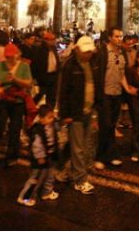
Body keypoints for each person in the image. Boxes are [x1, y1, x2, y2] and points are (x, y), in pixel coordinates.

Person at [57, 35, 101, 195]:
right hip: (75, 113)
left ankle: (63, 170)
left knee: (77, 145)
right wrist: (65, 114)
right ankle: (80, 180)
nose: (88, 54)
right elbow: (63, 92)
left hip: (88, 110)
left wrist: (97, 107)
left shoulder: (92, 63)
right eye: (85, 51)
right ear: (77, 50)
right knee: (78, 148)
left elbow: (95, 85)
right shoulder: (70, 65)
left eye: (90, 51)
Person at [0, 43, 33, 167]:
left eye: (12, 56)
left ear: (17, 54)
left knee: (15, 129)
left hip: (18, 102)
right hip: (3, 100)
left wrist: (15, 80)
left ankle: (11, 157)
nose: (10, 59)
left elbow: (28, 84)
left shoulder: (24, 66)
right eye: (8, 57)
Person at [94, 27, 136, 169]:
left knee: (112, 126)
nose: (119, 39)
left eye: (120, 36)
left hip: (117, 94)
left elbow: (121, 74)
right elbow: (97, 74)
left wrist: (126, 88)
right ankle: (100, 156)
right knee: (105, 125)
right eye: (117, 36)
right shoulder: (103, 52)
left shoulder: (122, 52)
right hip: (105, 93)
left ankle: (111, 155)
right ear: (110, 38)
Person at [16, 105, 60, 207]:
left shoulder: (51, 125)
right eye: (49, 117)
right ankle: (25, 197)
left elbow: (58, 128)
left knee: (50, 176)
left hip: (50, 157)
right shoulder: (37, 130)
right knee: (35, 178)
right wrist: (40, 157)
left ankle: (46, 193)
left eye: (52, 117)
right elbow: (36, 145)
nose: (52, 119)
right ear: (41, 119)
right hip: (40, 159)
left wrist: (55, 119)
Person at [30, 32, 62, 109]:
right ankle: (31, 109)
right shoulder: (39, 50)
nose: (54, 41)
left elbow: (56, 61)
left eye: (54, 39)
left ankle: (49, 112)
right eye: (51, 40)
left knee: (52, 97)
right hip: (43, 77)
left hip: (53, 76)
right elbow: (35, 64)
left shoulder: (54, 48)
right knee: (39, 95)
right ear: (46, 40)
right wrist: (34, 78)